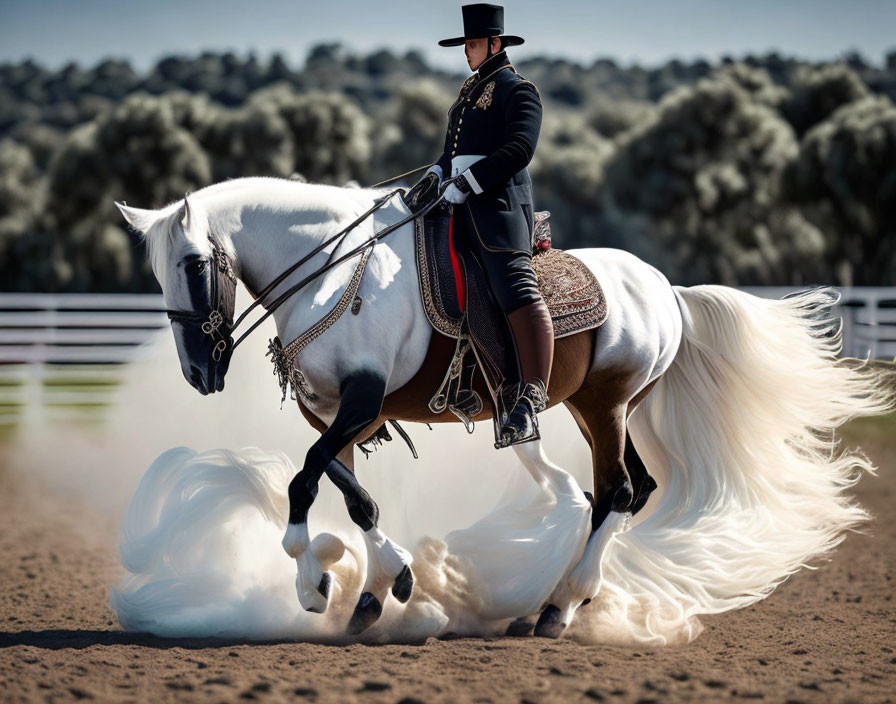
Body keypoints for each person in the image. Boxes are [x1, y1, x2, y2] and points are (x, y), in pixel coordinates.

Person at [427, 2, 553, 446]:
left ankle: (533, 391)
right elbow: (451, 152)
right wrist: (438, 174)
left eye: (474, 43)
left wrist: (471, 181)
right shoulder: (467, 93)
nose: (468, 51)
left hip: (499, 210)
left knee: (513, 286)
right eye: (466, 44)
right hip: (458, 209)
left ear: (495, 44)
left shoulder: (519, 90)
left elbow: (520, 149)